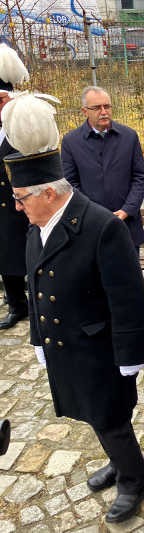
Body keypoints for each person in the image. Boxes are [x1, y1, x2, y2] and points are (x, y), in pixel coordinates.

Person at [4, 94, 144, 524]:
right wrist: (38, 339)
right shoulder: (37, 225)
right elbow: (34, 288)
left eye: (21, 198)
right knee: (93, 415)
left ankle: (134, 477)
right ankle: (120, 461)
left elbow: (128, 298)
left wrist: (130, 357)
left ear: (48, 192)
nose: (17, 206)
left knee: (110, 418)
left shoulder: (101, 226)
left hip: (99, 349)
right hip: (66, 345)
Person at [61, 86, 144, 249]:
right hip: (89, 225)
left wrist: (127, 210)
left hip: (126, 223)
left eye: (107, 106)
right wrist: (92, 213)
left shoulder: (129, 136)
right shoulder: (71, 142)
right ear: (85, 111)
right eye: (97, 107)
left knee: (127, 274)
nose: (103, 111)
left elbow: (139, 177)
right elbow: (70, 183)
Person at [0, 45, 30, 332]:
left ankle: (39, 303)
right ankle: (16, 305)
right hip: (0, 206)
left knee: (31, 254)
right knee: (6, 258)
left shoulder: (24, 124)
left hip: (22, 202)